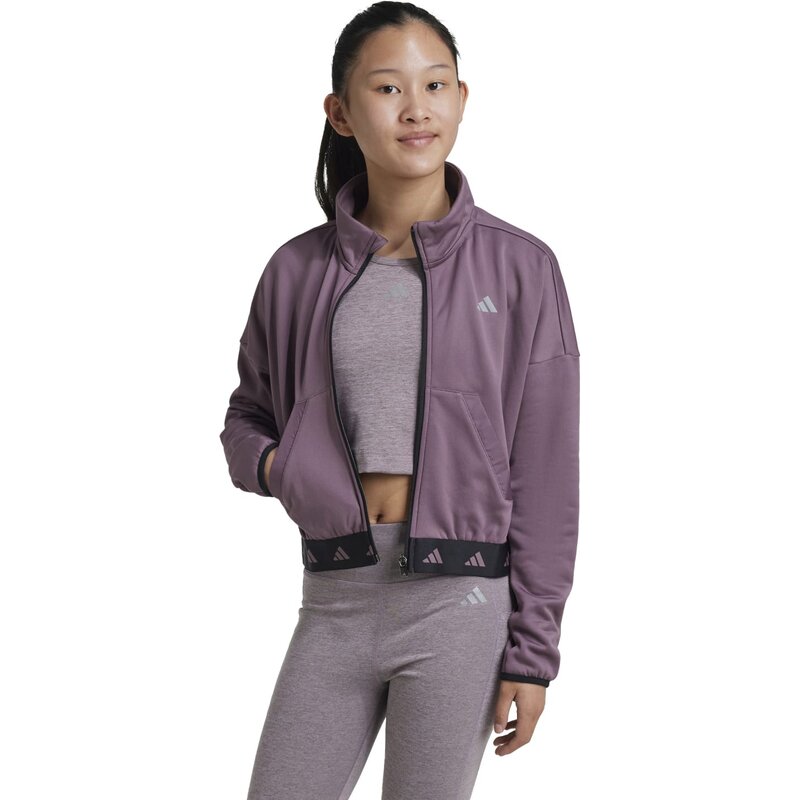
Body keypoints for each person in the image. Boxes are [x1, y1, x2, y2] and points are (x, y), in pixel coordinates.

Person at [218, 3, 581, 798]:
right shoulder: (296, 271)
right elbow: (246, 419)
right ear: (341, 113)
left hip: (461, 601)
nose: (416, 108)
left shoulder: (522, 269)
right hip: (336, 595)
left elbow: (548, 476)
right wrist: (281, 468)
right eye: (387, 88)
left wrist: (532, 655)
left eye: (435, 85)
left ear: (462, 98)